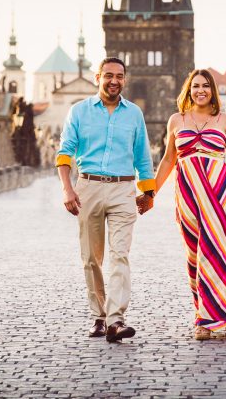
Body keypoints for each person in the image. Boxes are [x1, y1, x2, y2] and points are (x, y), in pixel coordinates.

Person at [151, 69, 226, 340]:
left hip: (219, 195)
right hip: (187, 196)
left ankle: (206, 321)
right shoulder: (176, 120)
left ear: (213, 91)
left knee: (221, 254)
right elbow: (169, 160)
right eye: (195, 86)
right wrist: (151, 193)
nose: (200, 90)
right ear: (188, 90)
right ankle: (205, 311)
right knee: (195, 256)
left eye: (206, 86)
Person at [56, 57, 156, 343]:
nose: (114, 81)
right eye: (108, 75)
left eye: (120, 76)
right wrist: (67, 188)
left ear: (124, 79)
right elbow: (65, 153)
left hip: (123, 189)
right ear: (97, 77)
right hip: (88, 187)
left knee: (120, 254)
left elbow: (143, 156)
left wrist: (148, 192)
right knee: (91, 258)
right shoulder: (79, 112)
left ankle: (115, 319)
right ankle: (99, 315)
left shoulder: (134, 113)